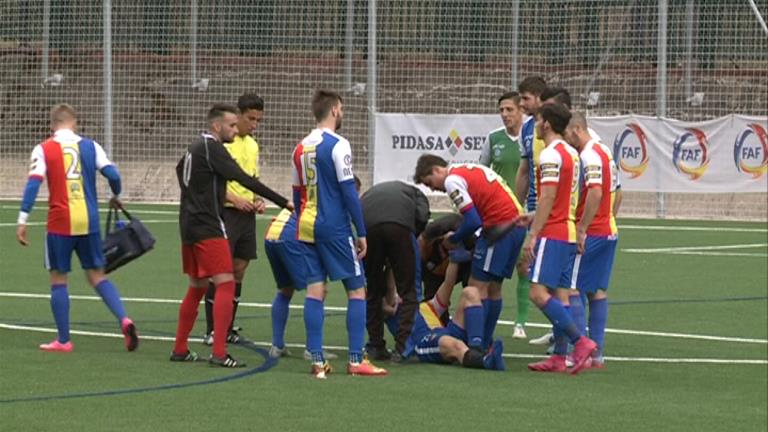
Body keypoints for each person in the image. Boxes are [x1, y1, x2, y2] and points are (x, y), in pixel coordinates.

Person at [170, 103, 291, 368]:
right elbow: (243, 179)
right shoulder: (212, 147)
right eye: (232, 125)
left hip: (188, 225)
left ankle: (180, 348)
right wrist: (285, 202)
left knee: (197, 286)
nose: (236, 131)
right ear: (217, 126)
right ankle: (219, 352)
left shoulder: (195, 146)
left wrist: (196, 196)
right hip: (207, 226)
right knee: (225, 282)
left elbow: (180, 170)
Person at [16, 103, 138, 353]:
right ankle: (124, 319)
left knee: (58, 279)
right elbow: (113, 174)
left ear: (52, 126)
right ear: (75, 123)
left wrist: (22, 219)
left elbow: (33, 184)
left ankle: (63, 340)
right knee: (97, 275)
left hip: (60, 222)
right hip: (89, 221)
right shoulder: (91, 146)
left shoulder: (43, 148)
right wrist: (117, 194)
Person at [292, 90, 387, 378]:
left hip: (306, 225)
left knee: (315, 290)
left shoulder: (299, 147)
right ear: (334, 110)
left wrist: (301, 220)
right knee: (357, 290)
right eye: (341, 110)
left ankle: (318, 361)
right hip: (334, 226)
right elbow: (348, 191)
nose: (342, 114)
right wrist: (361, 231)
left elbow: (297, 194)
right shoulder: (338, 144)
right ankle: (357, 359)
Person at [413, 155, 527, 351]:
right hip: (516, 224)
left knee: (476, 288)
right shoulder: (467, 168)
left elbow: (473, 221)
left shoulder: (451, 180)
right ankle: (485, 340)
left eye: (430, 183)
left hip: (498, 227)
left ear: (436, 170)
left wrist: (454, 239)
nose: (433, 189)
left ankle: (477, 344)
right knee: (494, 287)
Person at [519, 103, 597, 375]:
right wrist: (533, 214)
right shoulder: (571, 153)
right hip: (568, 230)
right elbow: (563, 196)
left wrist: (533, 233)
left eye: (537, 120)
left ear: (547, 124)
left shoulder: (551, 154)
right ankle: (559, 358)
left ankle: (580, 341)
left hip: (552, 233)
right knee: (561, 295)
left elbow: (549, 196)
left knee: (537, 292)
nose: (535, 126)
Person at [203, 92, 267, 346]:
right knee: (220, 271)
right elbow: (210, 180)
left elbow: (252, 178)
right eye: (251, 119)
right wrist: (232, 198)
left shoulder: (252, 145)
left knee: (239, 270)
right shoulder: (222, 144)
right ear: (238, 116)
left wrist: (257, 198)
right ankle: (211, 330)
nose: (254, 125)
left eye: (258, 120)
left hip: (246, 216)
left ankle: (227, 327)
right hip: (225, 213)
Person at [564, 111, 622, 369]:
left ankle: (582, 353)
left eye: (566, 134)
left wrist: (583, 228)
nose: (566, 139)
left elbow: (596, 191)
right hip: (609, 229)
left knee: (571, 288)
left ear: (576, 129)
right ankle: (597, 354)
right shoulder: (604, 150)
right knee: (597, 291)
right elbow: (616, 192)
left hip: (594, 231)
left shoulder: (588, 155)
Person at [479, 91, 530, 339]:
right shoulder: (493, 139)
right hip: (497, 216)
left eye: (509, 110)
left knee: (524, 266)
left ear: (521, 111)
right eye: (501, 110)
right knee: (492, 274)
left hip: (522, 213)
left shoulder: (530, 138)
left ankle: (520, 322)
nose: (505, 115)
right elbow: (482, 172)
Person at [361, 180, 430, 360]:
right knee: (409, 291)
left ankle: (375, 345)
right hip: (400, 227)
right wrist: (411, 239)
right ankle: (403, 348)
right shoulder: (416, 194)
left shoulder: (370, 193)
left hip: (369, 229)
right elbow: (423, 216)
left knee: (373, 291)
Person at [404, 259, 505, 371]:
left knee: (470, 292)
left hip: (447, 331)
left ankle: (478, 347)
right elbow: (386, 305)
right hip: (425, 341)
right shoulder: (398, 309)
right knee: (454, 344)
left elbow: (448, 283)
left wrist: (454, 260)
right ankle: (485, 360)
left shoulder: (427, 306)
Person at [265, 208, 338, 362]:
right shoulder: (330, 198)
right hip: (291, 235)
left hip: (273, 233)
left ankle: (277, 345)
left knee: (285, 289)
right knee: (318, 290)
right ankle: (313, 349)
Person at [513, 76, 549, 345]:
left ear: (538, 97)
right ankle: (523, 323)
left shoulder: (555, 126)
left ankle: (569, 333)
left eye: (525, 98)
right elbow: (525, 171)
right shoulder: (527, 129)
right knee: (526, 265)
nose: (521, 104)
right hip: (533, 209)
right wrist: (516, 205)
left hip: (553, 211)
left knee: (553, 272)